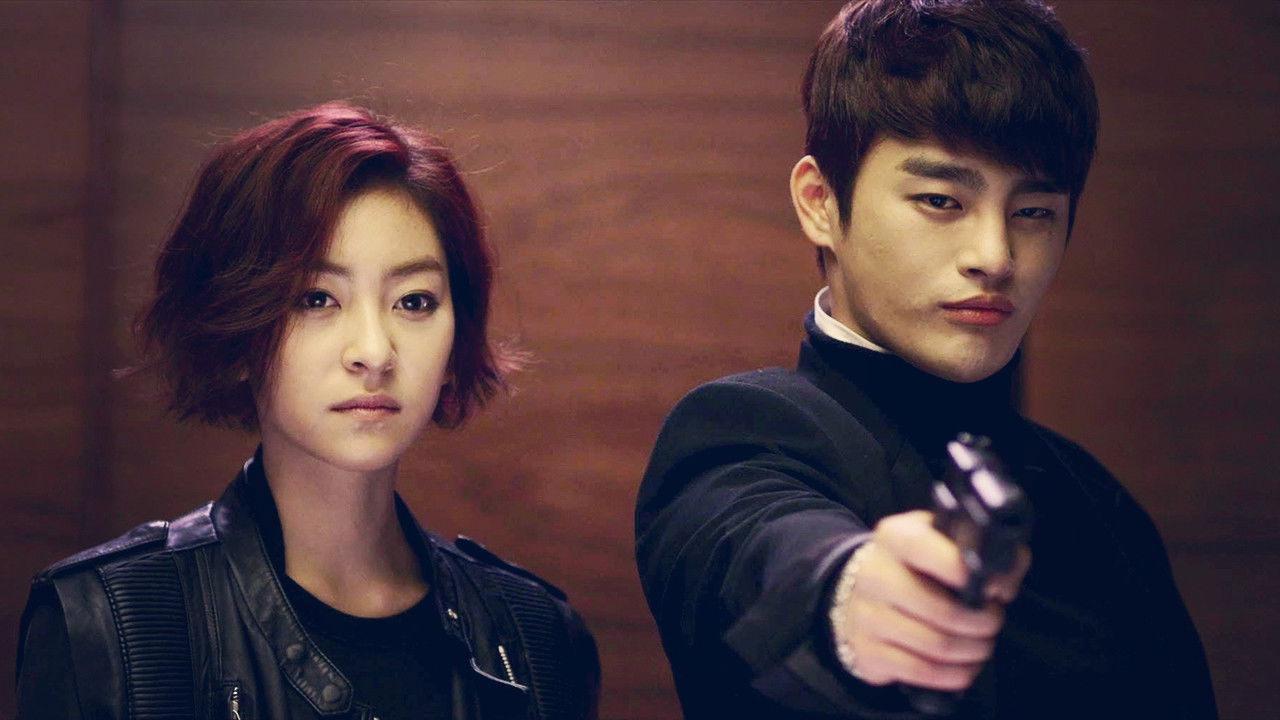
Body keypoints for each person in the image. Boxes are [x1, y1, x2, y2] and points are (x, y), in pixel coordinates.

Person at [635, 1, 1216, 718]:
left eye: (1034, 212)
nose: (995, 256)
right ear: (820, 203)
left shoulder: (1099, 503)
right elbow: (751, 546)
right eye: (941, 200)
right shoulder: (741, 432)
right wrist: (847, 591)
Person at [16, 102, 599, 720]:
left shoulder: (537, 639)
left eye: (414, 301)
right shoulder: (111, 624)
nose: (373, 352)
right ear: (237, 327)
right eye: (317, 299)